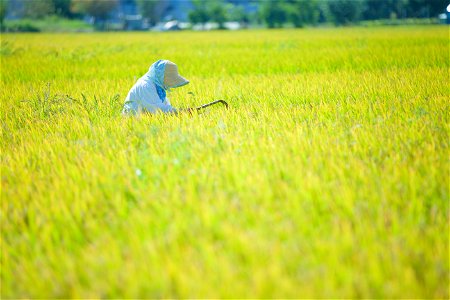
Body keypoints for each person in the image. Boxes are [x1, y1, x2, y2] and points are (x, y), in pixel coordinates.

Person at [122, 59, 190, 115]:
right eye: (169, 78)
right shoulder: (146, 86)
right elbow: (158, 110)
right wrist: (183, 112)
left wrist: (184, 112)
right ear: (162, 76)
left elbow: (165, 106)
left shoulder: (158, 87)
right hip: (133, 122)